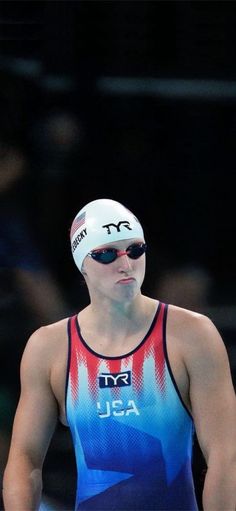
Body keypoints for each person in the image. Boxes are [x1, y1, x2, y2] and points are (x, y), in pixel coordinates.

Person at [3, 198, 236, 511]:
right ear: (82, 262)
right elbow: (24, 460)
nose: (126, 264)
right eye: (107, 254)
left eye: (135, 250)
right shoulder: (49, 348)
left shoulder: (192, 336)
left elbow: (226, 456)